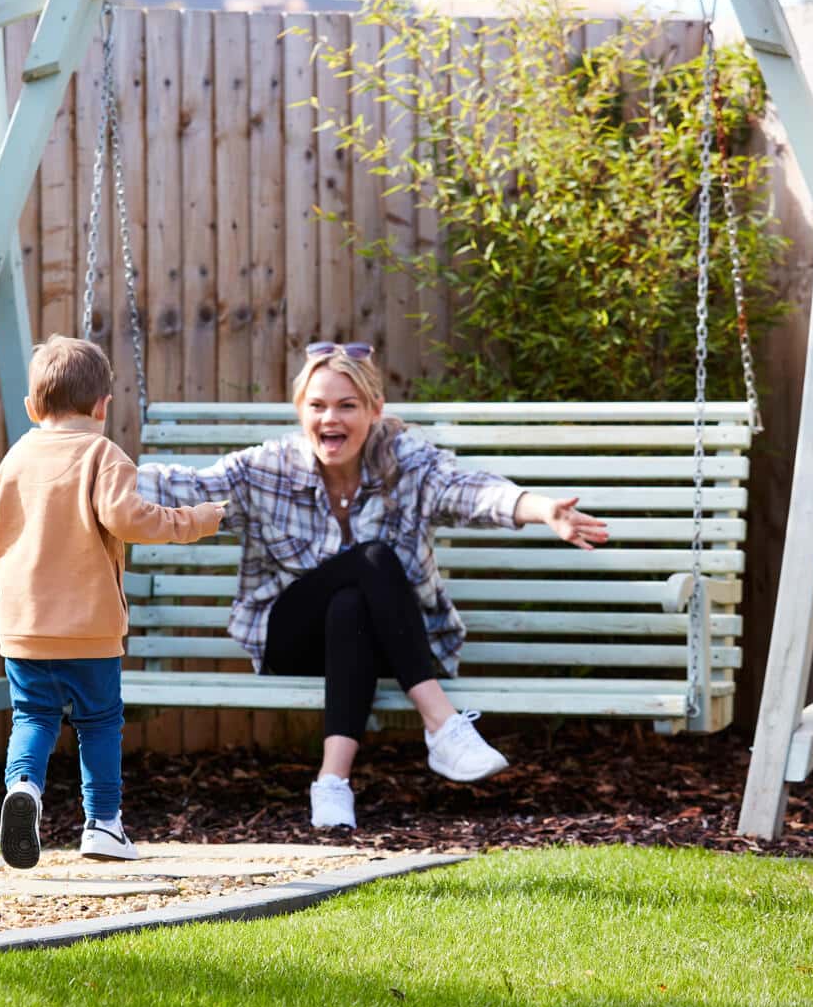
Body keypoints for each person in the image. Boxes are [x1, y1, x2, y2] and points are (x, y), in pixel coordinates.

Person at [136, 343, 609, 829]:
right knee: (370, 560)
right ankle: (443, 726)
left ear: (376, 410)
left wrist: (538, 508)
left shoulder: (407, 462)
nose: (329, 418)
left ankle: (332, 783)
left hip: (387, 645)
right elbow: (185, 487)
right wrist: (80, 465)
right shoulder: (269, 467)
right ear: (300, 411)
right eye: (317, 406)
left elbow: (471, 491)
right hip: (292, 642)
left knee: (352, 604)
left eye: (347, 405)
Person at [0, 337, 226, 868]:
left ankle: (23, 787)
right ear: (101, 406)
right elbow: (128, 519)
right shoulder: (102, 454)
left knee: (32, 715)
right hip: (89, 629)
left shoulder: (15, 458)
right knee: (98, 723)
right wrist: (198, 520)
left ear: (32, 408)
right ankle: (103, 825)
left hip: (23, 628)